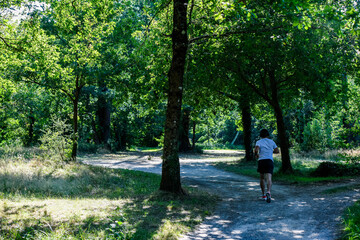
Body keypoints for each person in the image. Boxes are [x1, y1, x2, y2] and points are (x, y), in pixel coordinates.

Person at [254, 129, 279, 203]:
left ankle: (263, 194)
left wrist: (256, 154)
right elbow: (277, 151)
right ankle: (268, 192)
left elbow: (256, 149)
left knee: (262, 178)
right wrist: (271, 151)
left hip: (261, 161)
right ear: (267, 135)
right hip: (269, 161)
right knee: (269, 178)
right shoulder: (272, 142)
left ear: (260, 135)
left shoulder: (259, 142)